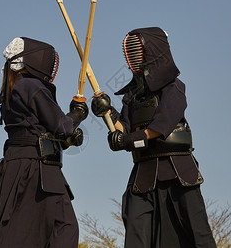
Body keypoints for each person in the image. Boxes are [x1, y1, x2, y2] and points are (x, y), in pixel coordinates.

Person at [92, 27, 217, 247]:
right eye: (130, 53)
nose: (133, 59)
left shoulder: (174, 88)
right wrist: (108, 112)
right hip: (144, 174)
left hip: (178, 171)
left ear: (154, 51)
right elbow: (124, 129)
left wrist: (130, 141)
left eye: (137, 51)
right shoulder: (132, 94)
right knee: (136, 231)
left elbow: (161, 127)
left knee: (198, 234)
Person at [0, 37, 88, 248]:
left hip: (25, 167)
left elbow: (41, 130)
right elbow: (62, 126)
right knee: (62, 230)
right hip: (35, 172)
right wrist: (78, 113)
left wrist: (65, 138)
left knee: (23, 233)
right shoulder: (31, 86)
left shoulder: (15, 87)